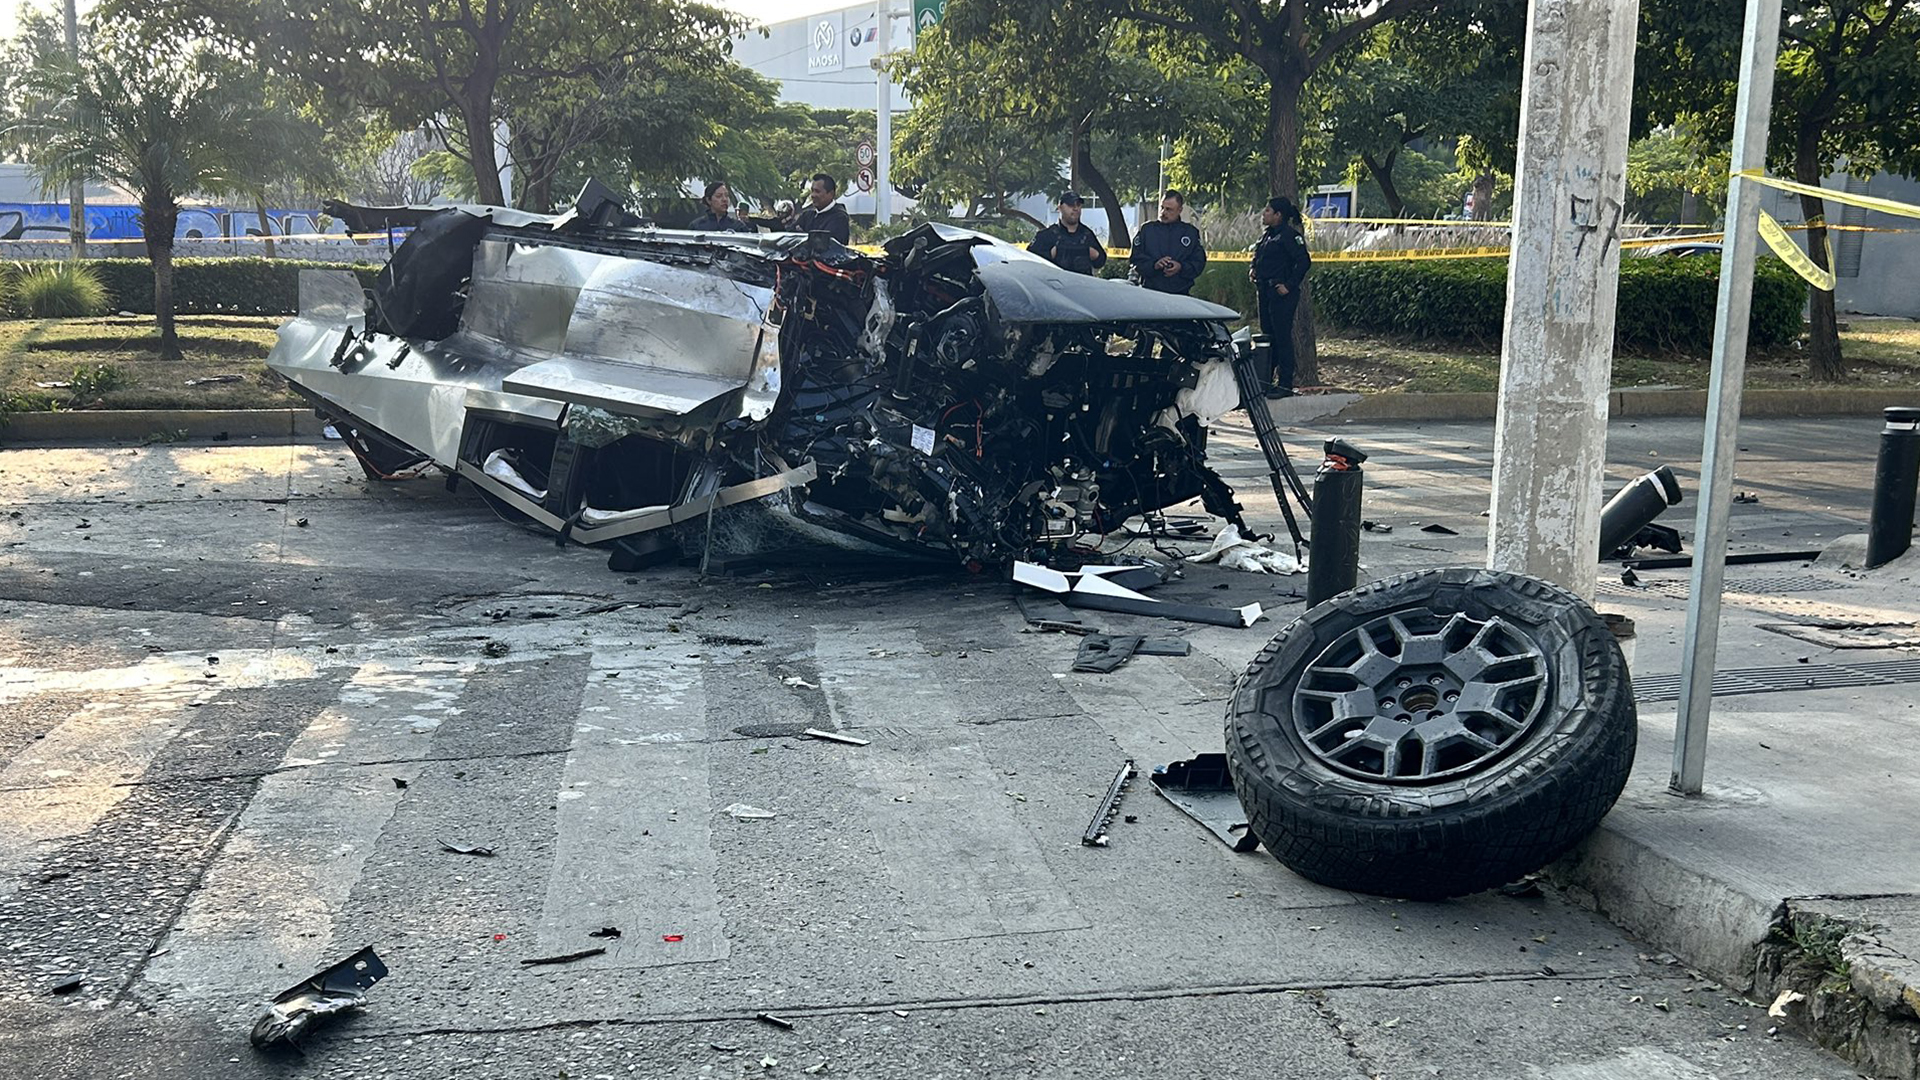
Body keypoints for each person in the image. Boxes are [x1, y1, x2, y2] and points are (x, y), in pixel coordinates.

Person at [1249, 195, 1312, 398]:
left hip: (1281, 294)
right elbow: (1259, 256)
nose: (1264, 214)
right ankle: (1266, 380)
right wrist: (1253, 269)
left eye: (1268, 211)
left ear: (1278, 215)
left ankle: (1285, 383)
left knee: (1282, 338)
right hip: (1264, 291)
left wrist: (1289, 285)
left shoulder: (1289, 236)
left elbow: (1303, 262)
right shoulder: (1267, 235)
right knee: (1268, 337)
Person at [1128, 189, 1206, 295]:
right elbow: (1136, 259)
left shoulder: (1190, 233)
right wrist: (1154, 265)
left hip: (1180, 293)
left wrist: (1181, 267)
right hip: (1150, 292)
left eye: (1169, 210)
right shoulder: (1147, 230)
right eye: (1162, 208)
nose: (1163, 213)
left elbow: (1198, 262)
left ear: (1179, 210)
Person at [1028, 191, 1107, 274]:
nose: (1075, 208)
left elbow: (1100, 261)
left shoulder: (1087, 234)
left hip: (1082, 284)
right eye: (1071, 205)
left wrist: (1093, 254)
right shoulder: (1047, 235)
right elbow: (1029, 259)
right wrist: (1051, 254)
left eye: (1078, 205)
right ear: (1060, 207)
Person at [793, 172, 851, 244]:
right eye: (812, 191)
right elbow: (791, 236)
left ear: (831, 194)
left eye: (817, 191)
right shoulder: (807, 216)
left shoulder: (839, 218)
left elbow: (826, 246)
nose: (812, 195)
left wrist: (805, 237)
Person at [687, 181, 753, 233]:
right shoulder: (697, 226)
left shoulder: (738, 226)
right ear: (709, 200)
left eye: (726, 195)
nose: (724, 199)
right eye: (719, 196)